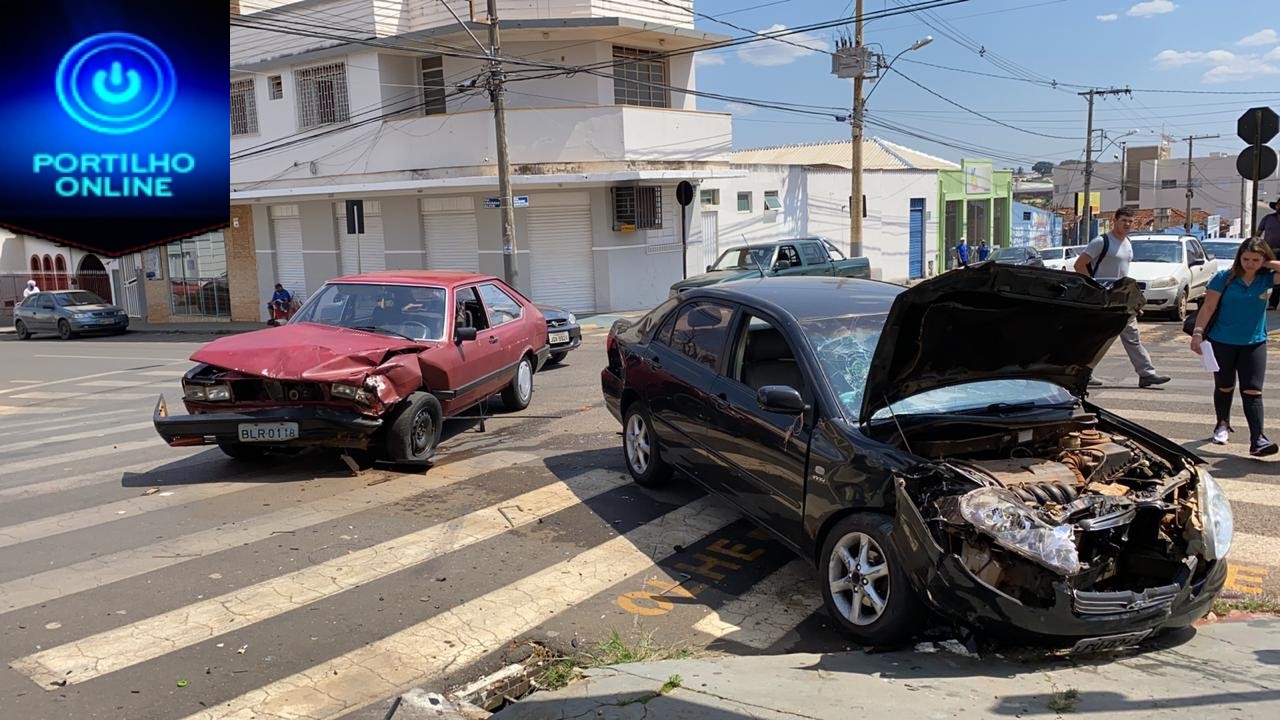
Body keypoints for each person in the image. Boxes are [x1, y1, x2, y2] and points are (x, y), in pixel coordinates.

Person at [1190, 237, 1280, 456]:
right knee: (1225, 386)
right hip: (1222, 342)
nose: (1250, 264)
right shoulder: (1224, 278)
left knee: (1253, 390)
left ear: (1264, 259)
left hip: (1254, 343)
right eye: (1246, 258)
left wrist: (1268, 263)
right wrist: (1197, 334)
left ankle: (1258, 439)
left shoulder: (1266, 279)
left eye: (1255, 259)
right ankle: (1222, 424)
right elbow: (1209, 307)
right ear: (1239, 257)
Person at [1073, 206, 1171, 388]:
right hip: (1102, 299)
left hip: (1122, 298)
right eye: (1123, 220)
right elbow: (1079, 265)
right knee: (1096, 338)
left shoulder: (1128, 243)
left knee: (1132, 336)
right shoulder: (1101, 242)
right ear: (1115, 221)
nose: (1127, 224)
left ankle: (1147, 374)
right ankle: (1082, 374)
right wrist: (1094, 287)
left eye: (1130, 221)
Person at [1258, 200, 1280, 310]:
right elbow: (1258, 232)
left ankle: (1273, 303)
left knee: (1278, 278)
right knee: (1260, 274)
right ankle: (1257, 298)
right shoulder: (1268, 218)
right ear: (1276, 206)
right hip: (1268, 251)